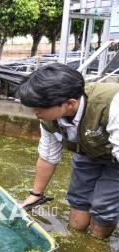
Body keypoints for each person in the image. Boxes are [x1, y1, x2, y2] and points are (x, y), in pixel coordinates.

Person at [18, 63, 119, 239]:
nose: (35, 112)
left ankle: (96, 245)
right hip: (88, 153)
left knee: (103, 205)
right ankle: (78, 238)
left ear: (70, 103)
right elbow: (48, 156)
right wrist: (36, 194)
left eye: (39, 107)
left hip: (115, 157)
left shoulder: (111, 104)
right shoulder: (48, 119)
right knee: (78, 198)